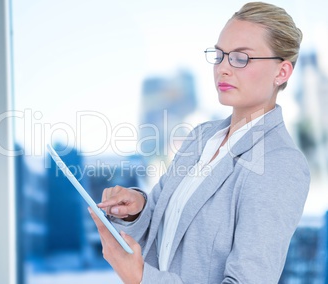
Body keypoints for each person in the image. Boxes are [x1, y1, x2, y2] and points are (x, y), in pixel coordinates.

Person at [88, 2, 310, 283]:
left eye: (241, 58)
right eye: (219, 56)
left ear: (282, 72)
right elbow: (162, 227)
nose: (223, 69)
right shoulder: (201, 136)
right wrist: (137, 209)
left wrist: (142, 278)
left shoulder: (280, 163)